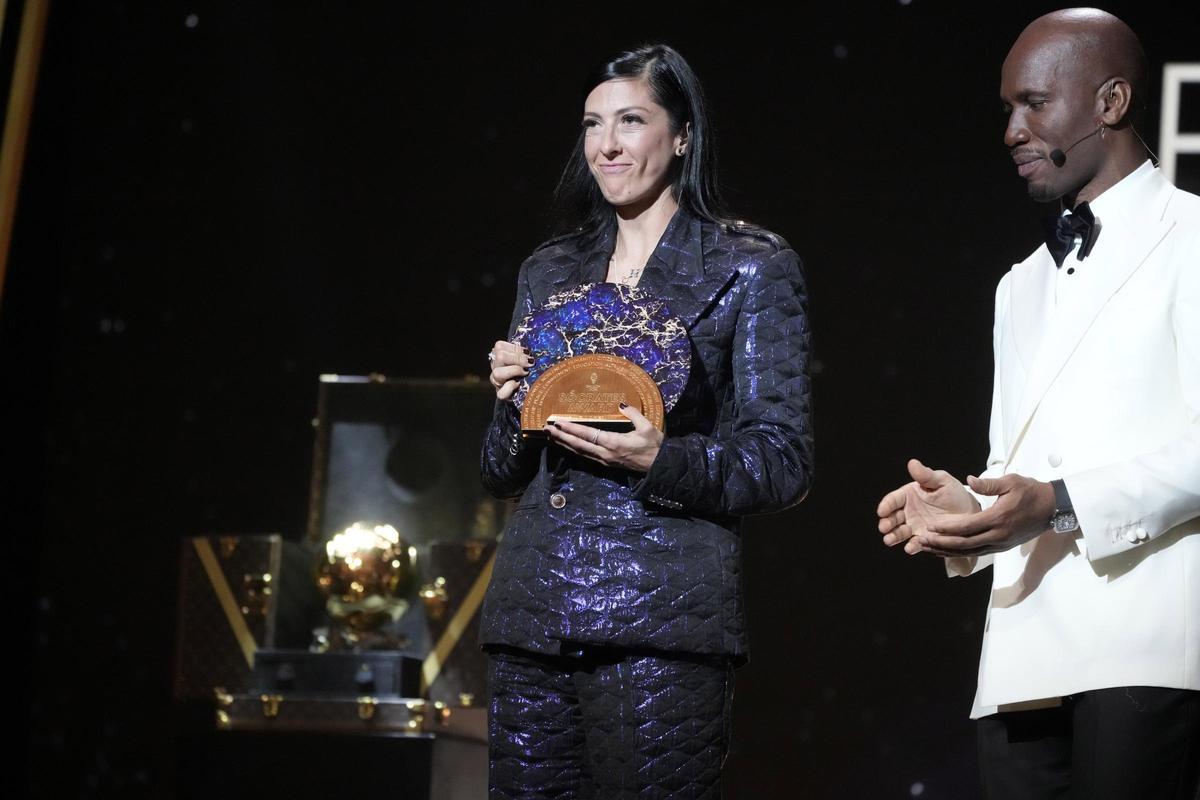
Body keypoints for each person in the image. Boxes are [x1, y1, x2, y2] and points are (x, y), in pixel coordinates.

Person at [876, 9, 1200, 799]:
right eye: (1007, 111)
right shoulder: (1017, 284)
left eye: (1034, 104)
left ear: (1112, 102)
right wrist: (965, 510)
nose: (1014, 130)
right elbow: (1017, 462)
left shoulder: (1191, 238)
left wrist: (1056, 504)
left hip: (1146, 642)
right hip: (1023, 646)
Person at [479, 44, 812, 798]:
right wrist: (508, 398)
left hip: (661, 615)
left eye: (632, 121)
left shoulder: (751, 265)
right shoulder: (550, 271)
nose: (607, 145)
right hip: (535, 610)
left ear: (683, 134)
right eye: (593, 124)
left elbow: (783, 458)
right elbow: (500, 474)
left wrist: (662, 459)